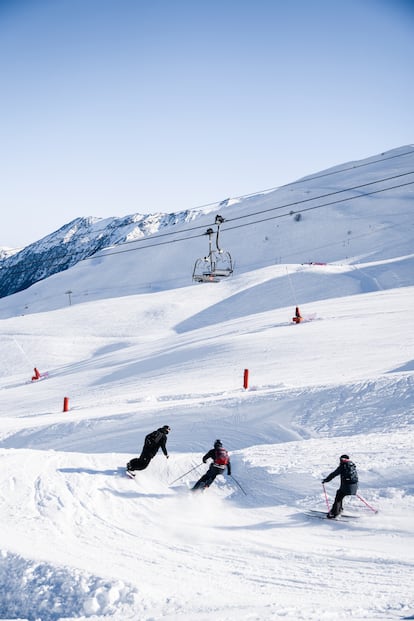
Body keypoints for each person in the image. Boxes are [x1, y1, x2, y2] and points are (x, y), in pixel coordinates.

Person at [322, 454, 358, 518]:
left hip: (346, 486)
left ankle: (334, 513)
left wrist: (326, 480)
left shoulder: (343, 466)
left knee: (338, 497)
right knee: (339, 493)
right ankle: (339, 509)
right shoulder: (352, 465)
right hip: (354, 486)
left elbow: (334, 474)